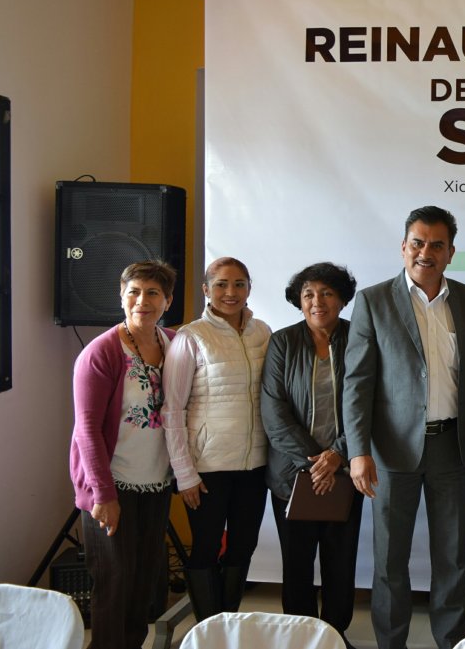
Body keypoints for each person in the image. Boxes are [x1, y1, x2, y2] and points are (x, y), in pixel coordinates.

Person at [343, 206, 465, 649]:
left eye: (436, 245)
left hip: (454, 448)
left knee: (453, 558)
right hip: (392, 452)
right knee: (390, 561)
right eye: (417, 242)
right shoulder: (373, 300)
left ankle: (451, 642)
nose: (425, 252)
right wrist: (358, 451)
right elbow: (357, 383)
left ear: (451, 253)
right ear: (403, 247)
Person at [69, 260, 178, 649]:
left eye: (152, 293)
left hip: (156, 482)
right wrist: (103, 494)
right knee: (114, 584)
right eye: (134, 291)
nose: (142, 301)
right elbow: (86, 429)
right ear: (121, 296)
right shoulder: (101, 353)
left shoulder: (173, 344)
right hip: (111, 485)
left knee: (143, 583)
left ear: (167, 300)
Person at [162, 257, 272, 620]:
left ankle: (228, 622)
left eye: (239, 284)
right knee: (205, 548)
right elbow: (172, 409)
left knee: (243, 547)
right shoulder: (190, 337)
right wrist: (184, 473)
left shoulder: (263, 332)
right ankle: (209, 628)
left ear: (249, 289)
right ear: (207, 290)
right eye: (222, 284)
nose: (231, 292)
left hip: (255, 464)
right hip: (206, 468)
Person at [261, 262, 361, 647]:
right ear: (299, 301)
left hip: (345, 472)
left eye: (327, 293)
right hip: (292, 476)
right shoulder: (282, 342)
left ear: (342, 299)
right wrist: (316, 462)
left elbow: (371, 404)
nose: (317, 302)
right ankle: (300, 639)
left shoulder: (360, 339)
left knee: (340, 563)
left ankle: (334, 637)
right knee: (297, 565)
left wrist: (338, 455)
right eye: (308, 294)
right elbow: (274, 412)